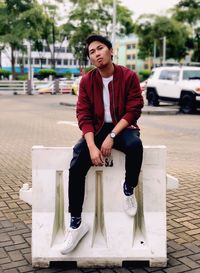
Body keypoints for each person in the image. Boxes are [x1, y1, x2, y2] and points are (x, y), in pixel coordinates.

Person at [60, 34, 144, 255]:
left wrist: (113, 136)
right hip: (96, 130)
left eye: (100, 48)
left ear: (111, 50)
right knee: (77, 163)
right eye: (91, 52)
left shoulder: (129, 76)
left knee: (135, 146)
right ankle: (76, 224)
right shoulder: (87, 81)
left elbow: (134, 109)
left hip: (122, 128)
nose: (96, 54)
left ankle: (128, 188)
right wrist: (90, 146)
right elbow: (83, 115)